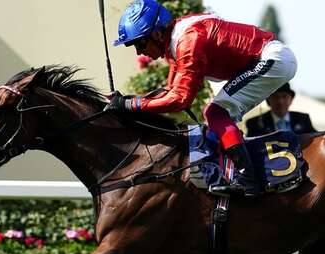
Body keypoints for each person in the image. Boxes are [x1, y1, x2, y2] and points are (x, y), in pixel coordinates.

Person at [106, 0, 298, 196]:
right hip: (267, 58)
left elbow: (180, 99)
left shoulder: (188, 40)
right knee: (217, 114)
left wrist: (131, 105)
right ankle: (242, 172)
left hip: (272, 58)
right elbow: (170, 91)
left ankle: (247, 180)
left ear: (156, 33)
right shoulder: (176, 39)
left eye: (139, 43)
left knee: (216, 113)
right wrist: (127, 101)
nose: (139, 52)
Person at [244, 83, 316, 138]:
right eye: (276, 97)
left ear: (291, 99)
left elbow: (315, 139)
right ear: (268, 100)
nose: (280, 101)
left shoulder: (303, 119)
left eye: (284, 96)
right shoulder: (255, 123)